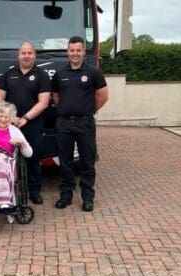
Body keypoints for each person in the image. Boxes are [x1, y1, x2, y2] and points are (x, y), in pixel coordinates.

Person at [52, 36, 108, 212]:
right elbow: (55, 97)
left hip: (85, 124)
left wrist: (89, 110)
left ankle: (88, 197)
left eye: (78, 50)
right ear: (68, 52)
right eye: (72, 50)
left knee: (87, 162)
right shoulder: (60, 74)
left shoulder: (93, 72)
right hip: (64, 124)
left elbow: (103, 96)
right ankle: (66, 195)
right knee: (65, 162)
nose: (75, 53)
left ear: (83, 51)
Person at [0, 42, 50, 205]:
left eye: (30, 53)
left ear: (35, 56)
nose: (26, 56)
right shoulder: (8, 74)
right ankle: (8, 191)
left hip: (32, 124)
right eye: (23, 53)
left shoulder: (42, 75)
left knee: (33, 157)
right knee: (8, 158)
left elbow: (44, 102)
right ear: (18, 55)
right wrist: (11, 117)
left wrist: (25, 117)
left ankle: (34, 192)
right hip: (9, 124)